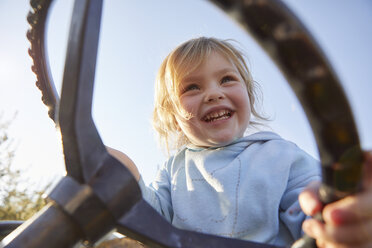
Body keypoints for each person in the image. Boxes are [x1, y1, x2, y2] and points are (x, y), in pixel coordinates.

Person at [109, 37, 372, 247]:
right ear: (174, 117)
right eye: (191, 87)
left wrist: (336, 216)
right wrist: (125, 175)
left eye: (227, 79)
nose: (213, 93)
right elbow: (151, 220)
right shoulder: (174, 171)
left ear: (249, 95)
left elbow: (312, 209)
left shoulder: (280, 156)